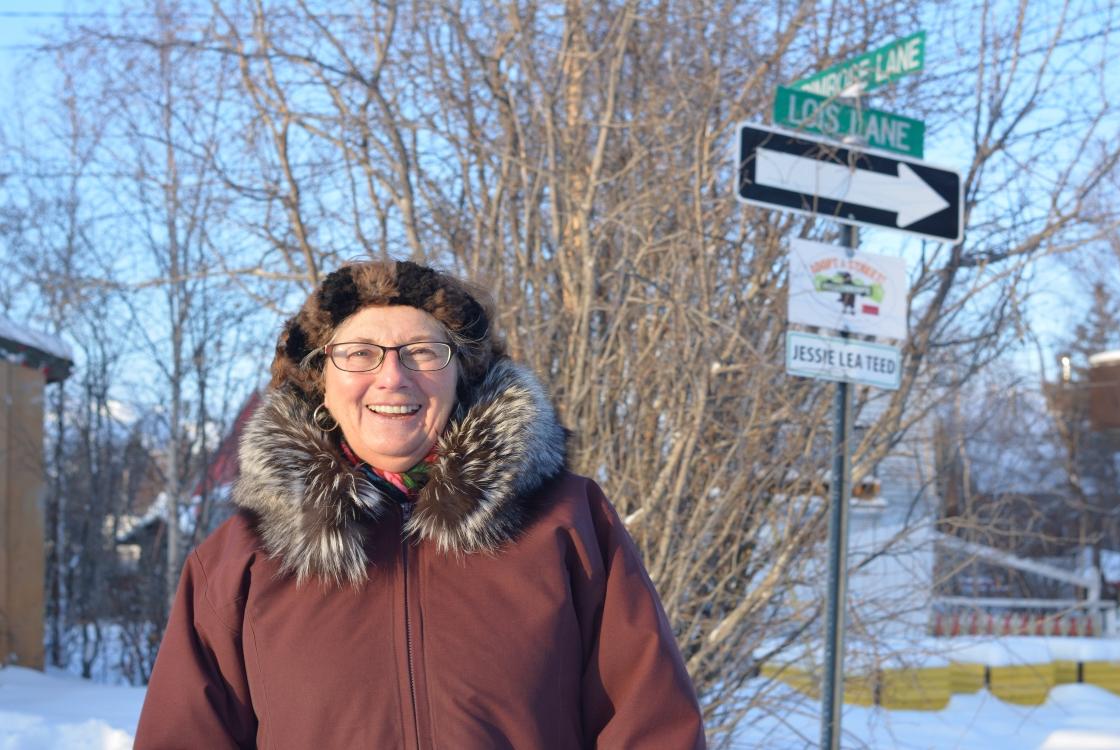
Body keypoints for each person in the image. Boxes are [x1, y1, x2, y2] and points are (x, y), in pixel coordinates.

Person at [135, 259, 706, 749]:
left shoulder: (567, 521)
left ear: (462, 373)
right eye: (359, 353)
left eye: (422, 352)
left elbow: (648, 726)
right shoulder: (240, 559)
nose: (392, 377)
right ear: (319, 383)